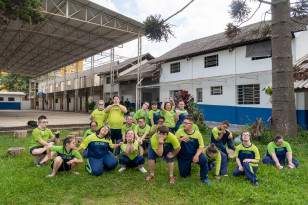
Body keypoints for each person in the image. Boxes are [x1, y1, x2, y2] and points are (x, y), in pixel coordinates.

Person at [175, 116, 211, 184]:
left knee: (203, 159)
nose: (184, 124)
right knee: (184, 175)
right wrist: (180, 140)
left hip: (194, 153)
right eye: (183, 122)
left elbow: (201, 147)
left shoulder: (197, 134)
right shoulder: (179, 132)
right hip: (183, 156)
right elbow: (174, 143)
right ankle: (187, 168)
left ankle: (204, 177)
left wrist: (196, 156)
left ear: (191, 124)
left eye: (186, 123)